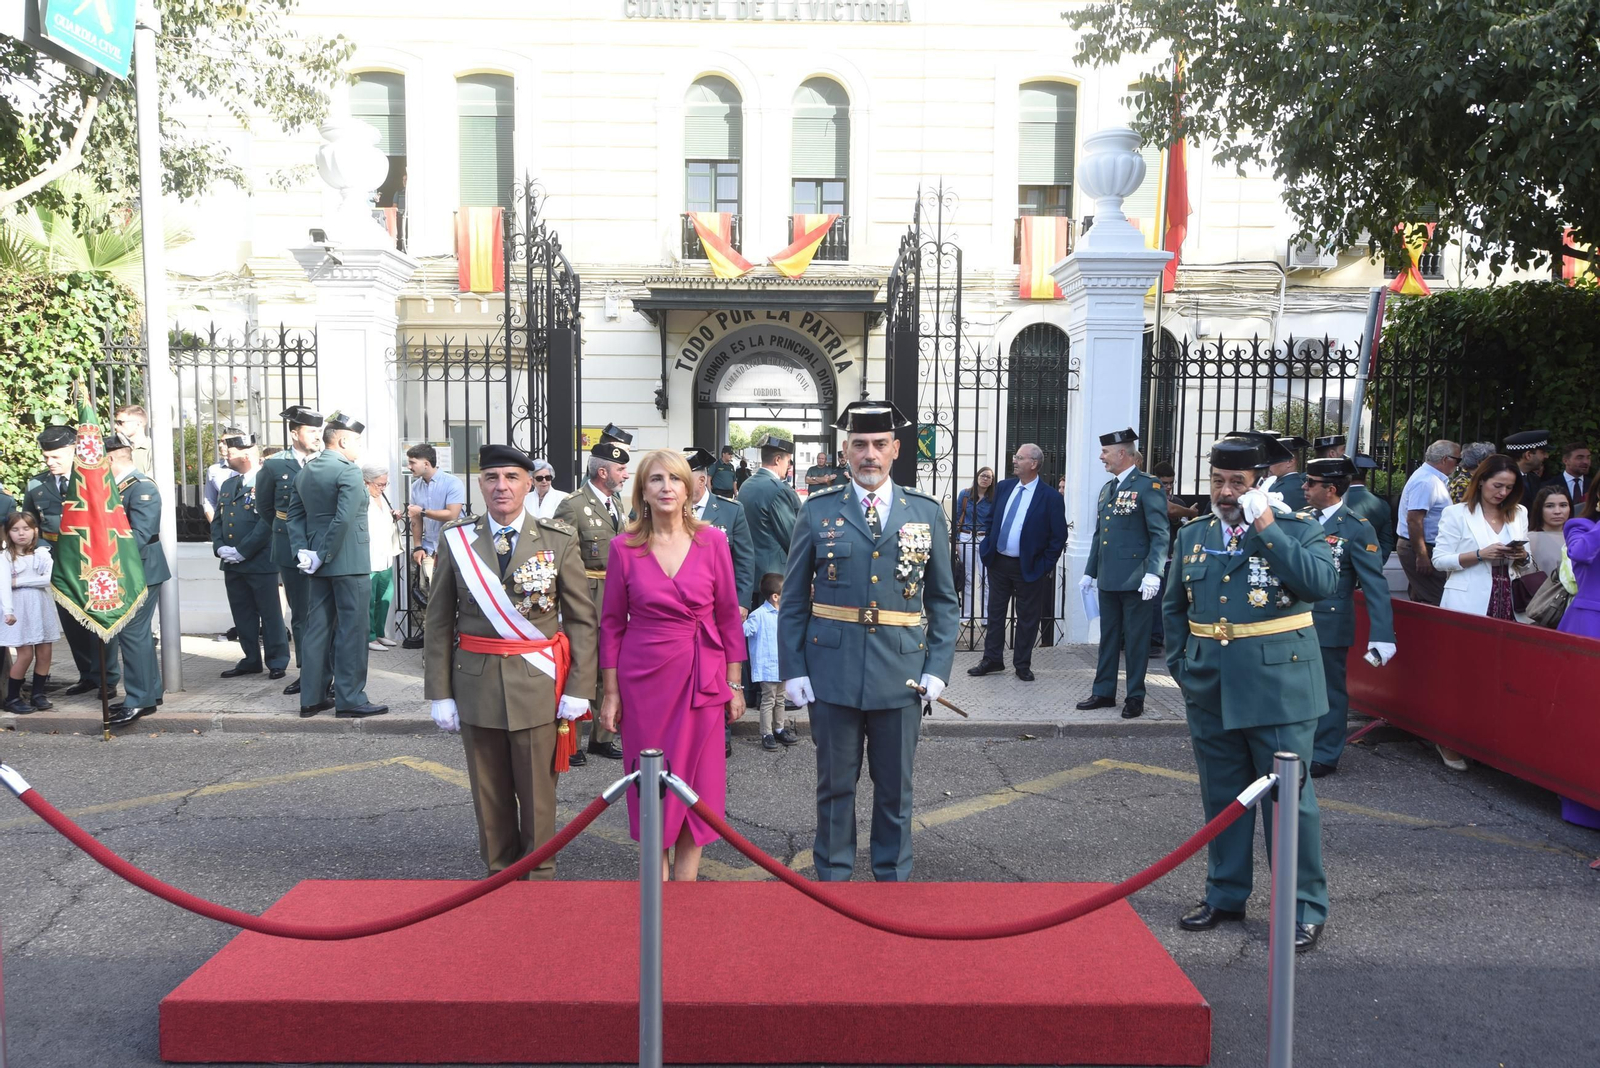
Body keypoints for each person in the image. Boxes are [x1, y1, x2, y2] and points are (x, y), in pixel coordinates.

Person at [1163, 433, 1337, 952]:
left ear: (1258, 482)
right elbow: (1175, 608)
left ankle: (1302, 908)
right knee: (1222, 796)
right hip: (1211, 686)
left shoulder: (1295, 527)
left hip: (1278, 688)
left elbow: (1319, 584)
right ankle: (1225, 893)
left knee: (1288, 802)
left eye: (1236, 482)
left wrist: (1264, 527)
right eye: (1218, 481)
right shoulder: (1194, 534)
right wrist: (1183, 667)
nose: (1225, 492)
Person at [779, 400, 959, 882]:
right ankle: (834, 884)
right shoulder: (818, 511)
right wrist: (792, 668)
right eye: (860, 444)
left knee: (896, 790)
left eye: (880, 444)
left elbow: (943, 601)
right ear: (845, 451)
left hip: (901, 675)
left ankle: (891, 885)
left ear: (896, 449)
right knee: (835, 787)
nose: (870, 454)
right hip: (831, 673)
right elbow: (794, 599)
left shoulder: (924, 512)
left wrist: (937, 668)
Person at [424, 444, 597, 877]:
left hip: (537, 683)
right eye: (491, 478)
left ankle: (538, 874)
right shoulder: (457, 539)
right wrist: (440, 693)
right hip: (476, 683)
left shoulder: (558, 538)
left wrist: (580, 687)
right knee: (489, 791)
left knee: (538, 792)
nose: (501, 487)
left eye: (512, 478)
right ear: (480, 485)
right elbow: (440, 620)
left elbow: (581, 620)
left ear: (528, 484)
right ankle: (498, 873)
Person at [598, 448, 747, 881]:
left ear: (690, 489)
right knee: (651, 785)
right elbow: (611, 625)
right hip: (643, 683)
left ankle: (685, 890)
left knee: (696, 784)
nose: (666, 487)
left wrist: (735, 684)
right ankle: (654, 887)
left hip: (702, 676)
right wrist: (610, 694)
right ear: (642, 491)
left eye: (675, 479)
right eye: (656, 479)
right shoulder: (623, 547)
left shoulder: (712, 541)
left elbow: (727, 615)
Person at [1431, 453, 1531, 770]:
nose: (1501, 493)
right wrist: (1479, 554)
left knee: (1501, 676)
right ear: (1482, 481)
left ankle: (1489, 741)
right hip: (1468, 601)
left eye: (1509, 487)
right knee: (1463, 675)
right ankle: (1448, 740)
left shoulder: (1520, 513)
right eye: (1497, 485)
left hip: (1508, 601)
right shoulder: (1456, 514)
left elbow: (1525, 560)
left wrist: (1520, 555)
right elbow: (1439, 560)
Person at [287, 410, 387, 719]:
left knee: (317, 629)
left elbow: (294, 515)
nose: (359, 448)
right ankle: (350, 698)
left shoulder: (307, 470)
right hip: (348, 560)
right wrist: (326, 552)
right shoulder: (349, 471)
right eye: (356, 441)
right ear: (342, 440)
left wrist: (305, 552)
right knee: (353, 630)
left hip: (318, 561)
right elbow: (344, 518)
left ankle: (312, 698)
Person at [1302, 457, 1396, 777]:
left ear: (1330, 489)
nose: (1304, 486)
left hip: (1330, 620)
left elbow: (1375, 585)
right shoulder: (1300, 519)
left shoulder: (1357, 527)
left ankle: (1325, 753)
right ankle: (1299, 744)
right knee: (1295, 686)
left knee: (1329, 689)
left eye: (1310, 482)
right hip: (1294, 619)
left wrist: (1383, 633)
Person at [1076, 428, 1169, 718]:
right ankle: (1103, 692)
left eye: (1106, 452)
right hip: (1108, 578)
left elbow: (1160, 533)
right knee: (1109, 638)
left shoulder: (1147, 486)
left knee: (1137, 641)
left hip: (1136, 579)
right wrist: (1090, 572)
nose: (1101, 457)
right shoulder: (1107, 489)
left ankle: (1135, 696)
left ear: (1122, 453)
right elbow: (1098, 536)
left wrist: (1154, 572)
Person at [554, 440, 632, 763]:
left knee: (606, 668)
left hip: (613, 597)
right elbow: (560, 558)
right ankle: (568, 742)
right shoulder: (573, 505)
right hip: (585, 599)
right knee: (579, 668)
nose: (626, 475)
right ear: (603, 472)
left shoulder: (617, 504)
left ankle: (602, 738)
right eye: (620, 470)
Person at [25, 425, 113, 699]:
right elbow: (31, 523)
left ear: (74, 452)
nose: (50, 462)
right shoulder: (37, 485)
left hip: (91, 560)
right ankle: (87, 674)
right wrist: (39, 547)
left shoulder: (91, 480)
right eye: (46, 457)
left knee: (99, 619)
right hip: (57, 563)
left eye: (56, 457)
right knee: (73, 622)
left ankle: (108, 678)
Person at [968, 442, 1068, 682]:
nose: (1014, 460)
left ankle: (1022, 664)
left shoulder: (1050, 497)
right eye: (1015, 456)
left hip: (1030, 567)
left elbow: (1058, 537)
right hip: (999, 563)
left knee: (1027, 618)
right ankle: (992, 659)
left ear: (1033, 464)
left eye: (1020, 457)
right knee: (995, 613)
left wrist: (1044, 565)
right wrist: (987, 548)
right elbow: (991, 521)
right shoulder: (1004, 487)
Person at [211, 433, 290, 681]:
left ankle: (277, 660)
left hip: (260, 561)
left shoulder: (268, 482)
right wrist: (220, 547)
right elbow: (218, 520)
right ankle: (250, 659)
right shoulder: (228, 484)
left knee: (270, 614)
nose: (225, 455)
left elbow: (268, 522)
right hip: (232, 563)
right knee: (242, 613)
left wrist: (242, 551)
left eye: (230, 452)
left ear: (246, 454)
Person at [256, 406, 324, 696]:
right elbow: (265, 508)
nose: (317, 437)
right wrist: (288, 531)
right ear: (295, 433)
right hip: (289, 547)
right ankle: (308, 673)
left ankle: (327, 672)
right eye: (311, 431)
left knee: (327, 612)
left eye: (320, 431)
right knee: (301, 614)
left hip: (324, 544)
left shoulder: (327, 461)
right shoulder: (274, 465)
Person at [105, 432, 170, 729]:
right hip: (130, 570)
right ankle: (149, 693)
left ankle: (139, 699)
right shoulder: (117, 487)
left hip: (140, 569)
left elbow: (140, 535)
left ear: (110, 458)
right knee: (136, 634)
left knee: (132, 633)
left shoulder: (141, 487)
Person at [1, 512, 59, 713]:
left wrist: (17, 581)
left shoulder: (42, 554)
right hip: (19, 608)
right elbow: (4, 586)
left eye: (26, 528)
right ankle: (13, 697)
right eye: (15, 529)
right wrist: (8, 611)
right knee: (24, 654)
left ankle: (38, 694)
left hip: (41, 605)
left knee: (45, 651)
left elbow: (47, 580)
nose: (21, 534)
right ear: (8, 533)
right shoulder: (6, 557)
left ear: (35, 530)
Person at [1395, 440, 1460, 605]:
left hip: (1423, 546)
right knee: (1439, 600)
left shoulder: (1430, 479)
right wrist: (1422, 555)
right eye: (1457, 460)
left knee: (1423, 599)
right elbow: (1414, 520)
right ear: (1445, 459)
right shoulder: (1427, 482)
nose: (1458, 466)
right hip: (1421, 547)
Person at [739, 434, 802, 605]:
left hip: (750, 574)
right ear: (777, 460)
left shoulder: (747, 485)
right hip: (775, 580)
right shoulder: (777, 490)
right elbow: (793, 538)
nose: (789, 466)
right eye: (788, 461)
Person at [406, 443, 466, 584]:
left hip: (452, 546)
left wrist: (423, 512)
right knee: (428, 591)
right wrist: (418, 546)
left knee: (453, 591)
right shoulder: (415, 487)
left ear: (426, 464)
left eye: (412, 462)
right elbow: (416, 519)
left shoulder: (452, 483)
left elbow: (452, 514)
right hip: (429, 548)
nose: (409, 467)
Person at [744, 572, 791, 750]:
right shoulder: (759, 615)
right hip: (767, 667)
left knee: (780, 699)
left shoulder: (784, 614)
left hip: (782, 666)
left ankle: (779, 728)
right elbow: (744, 630)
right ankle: (766, 733)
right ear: (775, 596)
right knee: (768, 700)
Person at [363, 461, 403, 651]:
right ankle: (369, 636)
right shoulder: (362, 498)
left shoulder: (383, 497)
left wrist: (394, 515)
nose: (382, 488)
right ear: (366, 482)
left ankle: (379, 633)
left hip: (386, 554)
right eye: (379, 484)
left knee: (385, 595)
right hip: (370, 556)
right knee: (369, 599)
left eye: (385, 484)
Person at [953, 466, 995, 615]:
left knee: (985, 579)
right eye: (983, 476)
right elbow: (957, 516)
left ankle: (985, 616)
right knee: (968, 578)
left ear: (991, 481)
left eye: (988, 477)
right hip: (966, 536)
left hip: (984, 539)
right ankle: (966, 615)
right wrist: (956, 540)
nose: (985, 479)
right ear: (977, 477)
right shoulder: (965, 495)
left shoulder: (993, 498)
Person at [1342, 454, 1396, 563]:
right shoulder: (1381, 504)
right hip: (1369, 560)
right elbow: (1386, 541)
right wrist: (1376, 564)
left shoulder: (1336, 500)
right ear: (1366, 476)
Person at [1527, 485, 1574, 574]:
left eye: (1563, 505)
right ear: (1540, 509)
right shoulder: (1531, 539)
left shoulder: (1579, 536)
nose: (1557, 511)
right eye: (1549, 506)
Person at [202, 428, 243, 523]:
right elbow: (209, 501)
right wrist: (215, 527)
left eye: (225, 442)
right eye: (220, 442)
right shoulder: (214, 470)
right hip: (225, 525)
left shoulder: (254, 468)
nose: (220, 445)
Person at [1503, 429, 1550, 512]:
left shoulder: (1534, 479)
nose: (1546, 456)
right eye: (1542, 452)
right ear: (1528, 455)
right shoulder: (1504, 480)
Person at [1269, 435, 1311, 509]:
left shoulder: (1291, 489)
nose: (1268, 464)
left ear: (1290, 462)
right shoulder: (1287, 484)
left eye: (1274, 460)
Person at [113, 404, 152, 474]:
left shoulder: (153, 450)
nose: (115, 426)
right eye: (116, 422)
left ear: (138, 424)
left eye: (120, 422)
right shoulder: (115, 449)